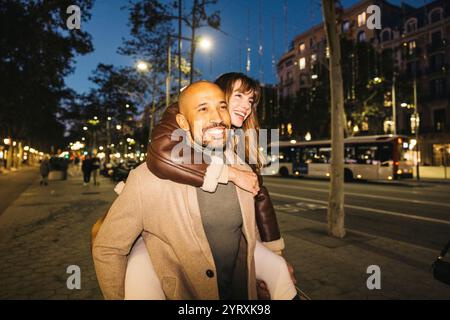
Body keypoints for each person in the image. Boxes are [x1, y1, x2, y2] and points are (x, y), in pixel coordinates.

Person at [92, 81, 297, 300]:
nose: (217, 117)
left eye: (222, 107)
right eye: (203, 109)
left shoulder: (243, 170)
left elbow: (250, 229)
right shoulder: (147, 178)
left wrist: (270, 265)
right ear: (181, 121)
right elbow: (108, 248)